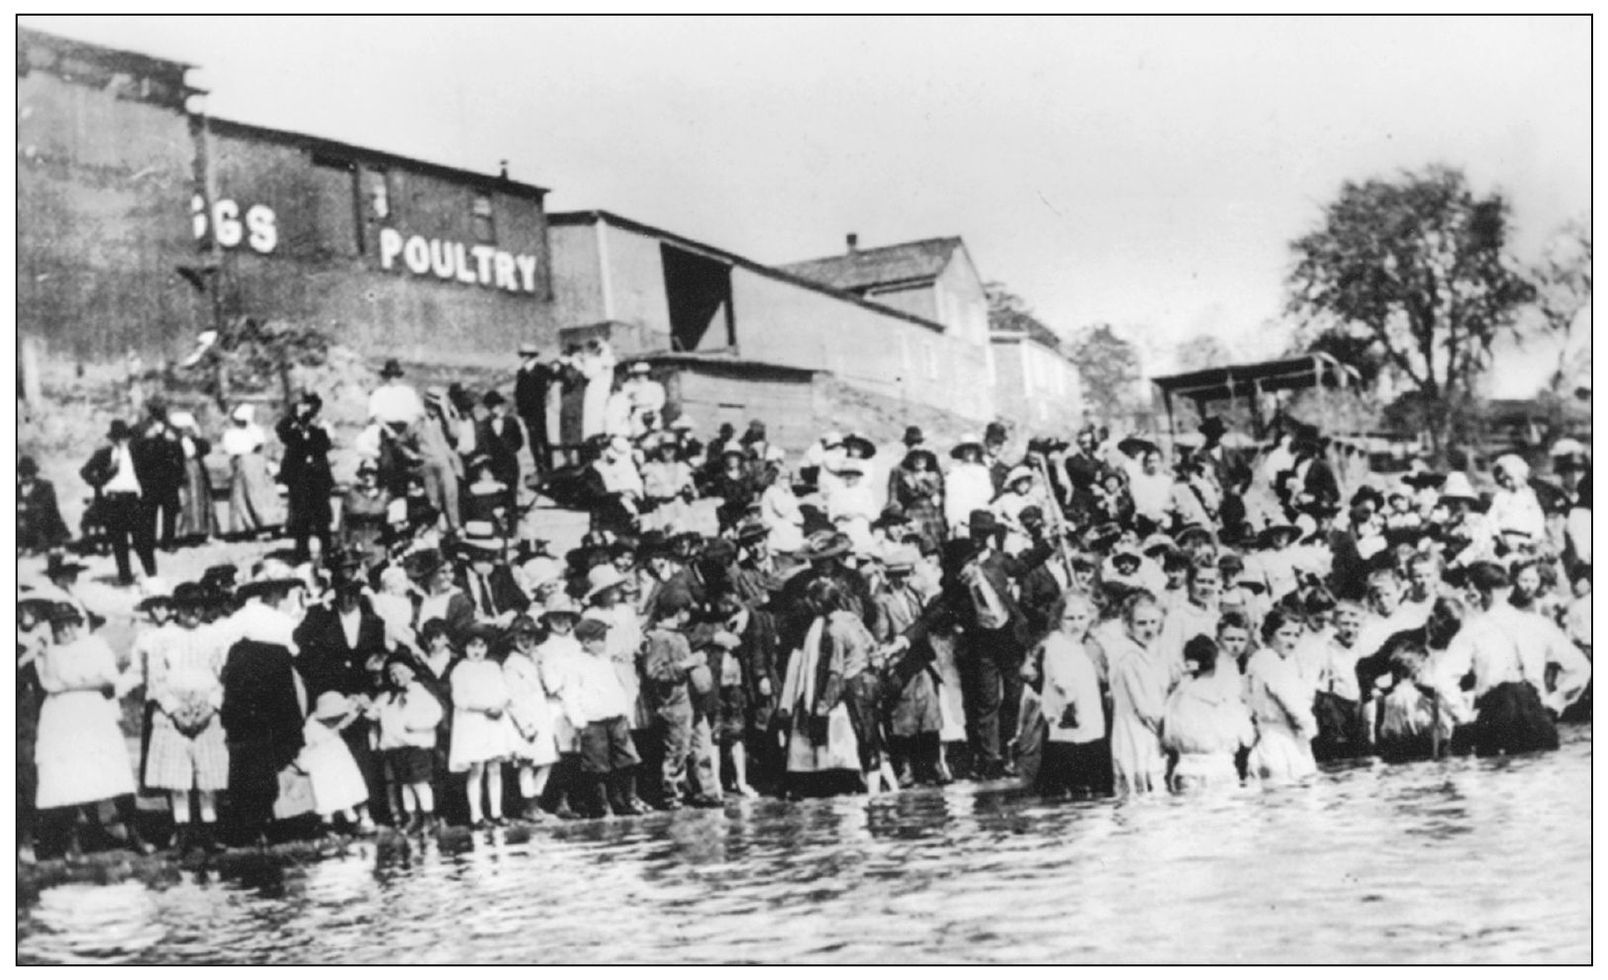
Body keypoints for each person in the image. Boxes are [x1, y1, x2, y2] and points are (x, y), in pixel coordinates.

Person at [32, 602, 154, 858]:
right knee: (72, 771)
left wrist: (71, 687)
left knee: (112, 767)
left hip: (92, 712)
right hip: (61, 717)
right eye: (58, 625)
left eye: (69, 624)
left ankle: (133, 833)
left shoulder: (94, 646)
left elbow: (107, 678)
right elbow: (49, 685)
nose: (64, 630)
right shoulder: (48, 652)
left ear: (78, 624)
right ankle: (81, 838)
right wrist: (67, 678)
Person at [219, 577, 309, 845]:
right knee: (253, 756)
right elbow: (225, 652)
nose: (277, 595)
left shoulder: (283, 619)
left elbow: (294, 650)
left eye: (280, 591)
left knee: (271, 752)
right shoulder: (247, 616)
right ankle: (254, 822)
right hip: (250, 691)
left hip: (275, 689)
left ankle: (271, 818)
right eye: (272, 591)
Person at [142, 583, 229, 854]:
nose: (194, 611)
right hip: (173, 713)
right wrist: (175, 710)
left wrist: (210, 707)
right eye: (187, 607)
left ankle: (209, 831)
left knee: (208, 776)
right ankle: (181, 833)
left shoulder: (214, 635)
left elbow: (224, 677)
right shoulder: (162, 638)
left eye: (199, 606)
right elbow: (155, 679)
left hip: (206, 709)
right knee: (177, 778)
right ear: (176, 609)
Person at [565, 617, 648, 818]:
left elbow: (616, 688)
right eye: (599, 639)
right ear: (585, 642)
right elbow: (571, 694)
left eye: (604, 639)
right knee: (597, 765)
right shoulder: (576, 664)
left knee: (626, 759)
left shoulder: (605, 661)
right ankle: (601, 805)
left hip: (615, 717)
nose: (603, 643)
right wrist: (578, 720)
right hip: (593, 720)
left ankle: (626, 800)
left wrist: (624, 711)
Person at [1033, 592, 1109, 797]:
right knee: (1068, 757)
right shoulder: (1057, 643)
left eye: (1081, 618)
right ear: (1059, 620)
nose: (1076, 624)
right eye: (1070, 618)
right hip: (1068, 712)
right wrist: (1070, 700)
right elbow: (1060, 677)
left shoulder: (1084, 644)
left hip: (1088, 713)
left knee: (1088, 753)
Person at [1162, 634, 1255, 791]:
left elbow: (1168, 739)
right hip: (1220, 769)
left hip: (1186, 770)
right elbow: (1247, 738)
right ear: (1216, 662)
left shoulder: (1176, 696)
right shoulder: (1226, 696)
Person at [1107, 592, 1177, 795]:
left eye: (1153, 622)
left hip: (1152, 732)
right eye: (1141, 623)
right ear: (1128, 625)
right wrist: (1168, 735)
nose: (1149, 629)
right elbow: (1144, 708)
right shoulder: (1129, 657)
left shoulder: (1154, 654)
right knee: (1140, 791)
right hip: (1136, 732)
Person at [79, 419, 158, 585]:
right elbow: (85, 472)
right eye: (117, 438)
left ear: (129, 438)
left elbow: (150, 472)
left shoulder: (137, 453)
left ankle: (152, 575)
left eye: (124, 438)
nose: (121, 441)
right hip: (112, 501)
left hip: (133, 500)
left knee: (142, 540)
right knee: (119, 542)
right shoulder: (104, 454)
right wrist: (103, 479)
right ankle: (125, 578)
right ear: (112, 439)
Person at [1244, 607, 1318, 783]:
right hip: (1279, 742)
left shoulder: (1276, 662)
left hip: (1284, 739)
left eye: (1296, 635)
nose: (1292, 641)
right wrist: (1309, 727)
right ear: (1270, 633)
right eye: (1285, 634)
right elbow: (1293, 703)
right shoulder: (1268, 661)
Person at [449, 625, 513, 827]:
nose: (477, 650)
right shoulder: (460, 669)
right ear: (465, 648)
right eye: (472, 645)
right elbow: (460, 700)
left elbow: (504, 692)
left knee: (495, 767)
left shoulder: (492, 667)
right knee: (476, 768)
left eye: (481, 645)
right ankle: (476, 815)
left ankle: (496, 812)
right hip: (473, 723)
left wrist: (498, 705)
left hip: (493, 721)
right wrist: (485, 708)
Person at [374, 654, 444, 834]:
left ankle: (430, 817)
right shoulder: (387, 697)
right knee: (405, 784)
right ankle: (413, 817)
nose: (397, 677)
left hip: (416, 747)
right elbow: (374, 714)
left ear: (412, 672)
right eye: (392, 674)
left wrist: (416, 725)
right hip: (396, 748)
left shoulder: (419, 692)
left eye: (401, 672)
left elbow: (436, 714)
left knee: (419, 782)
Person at [502, 615, 561, 821]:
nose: (527, 643)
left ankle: (536, 800)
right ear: (513, 640)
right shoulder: (511, 664)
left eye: (531, 638)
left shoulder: (535, 660)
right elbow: (512, 698)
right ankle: (529, 804)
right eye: (522, 638)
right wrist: (524, 725)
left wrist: (541, 664)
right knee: (527, 762)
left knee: (546, 760)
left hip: (541, 713)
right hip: (525, 717)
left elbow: (548, 685)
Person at [297, 692, 376, 833]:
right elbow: (313, 743)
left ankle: (352, 817)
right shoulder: (312, 726)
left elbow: (343, 723)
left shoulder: (333, 722)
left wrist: (356, 708)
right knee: (328, 791)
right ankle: (328, 821)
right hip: (323, 763)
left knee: (346, 786)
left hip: (339, 759)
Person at [276, 392, 335, 564]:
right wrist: (295, 416)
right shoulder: (291, 427)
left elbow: (325, 445)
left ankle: (328, 553)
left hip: (318, 478)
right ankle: (302, 554)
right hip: (299, 479)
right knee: (301, 518)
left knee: (322, 519)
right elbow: (281, 431)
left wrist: (313, 425)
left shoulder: (321, 427)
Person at [223, 404, 282, 539]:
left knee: (259, 495)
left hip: (254, 463)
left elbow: (260, 445)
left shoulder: (253, 430)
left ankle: (268, 524)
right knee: (244, 495)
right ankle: (248, 526)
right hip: (244, 462)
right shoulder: (233, 433)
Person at [135, 403, 187, 552]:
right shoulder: (141, 429)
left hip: (169, 477)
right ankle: (148, 542)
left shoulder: (173, 430)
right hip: (149, 477)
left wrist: (179, 476)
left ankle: (168, 542)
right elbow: (135, 452)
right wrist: (145, 439)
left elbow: (180, 455)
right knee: (148, 513)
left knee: (169, 512)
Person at [168, 412, 218, 544]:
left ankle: (202, 531)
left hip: (197, 473)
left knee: (201, 501)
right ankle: (188, 532)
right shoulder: (174, 443)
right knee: (186, 502)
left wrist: (197, 432)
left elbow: (206, 448)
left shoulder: (194, 441)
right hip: (183, 473)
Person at [514, 342, 560, 480]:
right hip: (527, 412)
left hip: (540, 410)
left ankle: (548, 467)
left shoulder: (542, 370)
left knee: (543, 439)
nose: (522, 357)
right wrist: (521, 410)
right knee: (533, 441)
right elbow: (518, 393)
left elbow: (552, 384)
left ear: (530, 356)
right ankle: (539, 467)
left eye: (524, 355)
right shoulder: (521, 372)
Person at [338, 459, 393, 574]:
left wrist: (390, 548)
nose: (368, 477)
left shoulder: (385, 496)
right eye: (365, 473)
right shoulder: (352, 495)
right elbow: (343, 523)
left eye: (372, 473)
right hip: (356, 543)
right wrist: (344, 545)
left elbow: (391, 525)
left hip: (378, 544)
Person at [1488, 454, 1547, 544]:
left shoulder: (1529, 496)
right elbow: (1492, 516)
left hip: (1525, 537)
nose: (1507, 483)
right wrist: (1496, 533)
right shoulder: (1501, 496)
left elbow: (1537, 516)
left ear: (1520, 476)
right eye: (1503, 480)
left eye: (1510, 479)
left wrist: (1537, 535)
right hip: (1505, 537)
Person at [17, 455, 71, 555]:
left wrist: (26, 507)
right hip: (23, 522)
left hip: (45, 521)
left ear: (34, 473)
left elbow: (48, 505)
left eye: (28, 474)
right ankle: (22, 545)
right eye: (22, 475)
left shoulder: (45, 486)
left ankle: (39, 545)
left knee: (43, 519)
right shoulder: (17, 488)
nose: (25, 477)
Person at [944, 435, 994, 538]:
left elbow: (988, 494)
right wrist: (953, 521)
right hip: (961, 517)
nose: (970, 452)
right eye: (966, 449)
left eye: (973, 449)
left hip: (980, 518)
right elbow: (951, 498)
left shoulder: (983, 471)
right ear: (961, 452)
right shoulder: (954, 472)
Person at [368, 358, 426, 430]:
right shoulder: (378, 393)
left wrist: (408, 430)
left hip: (407, 429)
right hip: (385, 428)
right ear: (386, 376)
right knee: (364, 438)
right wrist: (389, 431)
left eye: (395, 375)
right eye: (390, 375)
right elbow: (376, 416)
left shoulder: (409, 392)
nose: (392, 378)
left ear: (398, 376)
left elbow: (418, 414)